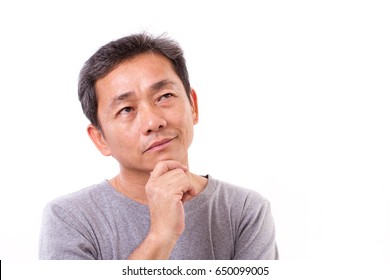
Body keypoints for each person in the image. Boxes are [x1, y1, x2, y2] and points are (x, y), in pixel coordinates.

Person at [39, 32, 278, 260]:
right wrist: (161, 235)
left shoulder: (245, 210)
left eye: (164, 96)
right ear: (100, 139)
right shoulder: (69, 219)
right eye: (127, 110)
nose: (153, 122)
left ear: (192, 106)